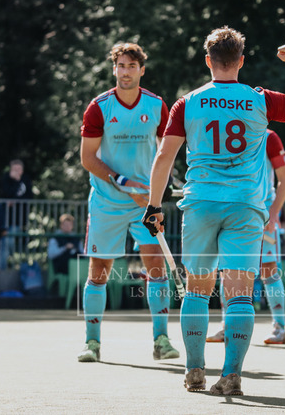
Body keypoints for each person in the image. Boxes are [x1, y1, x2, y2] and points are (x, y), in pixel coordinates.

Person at [142, 26, 285, 395]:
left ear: (208, 61)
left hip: (201, 204)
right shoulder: (259, 100)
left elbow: (164, 156)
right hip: (245, 207)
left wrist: (154, 205)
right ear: (241, 61)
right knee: (239, 294)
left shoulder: (187, 103)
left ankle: (194, 370)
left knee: (196, 291)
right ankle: (232, 375)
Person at [77, 41, 179, 363]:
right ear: (114, 69)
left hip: (145, 203)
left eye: (132, 66)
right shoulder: (99, 107)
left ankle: (161, 340)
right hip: (107, 201)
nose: (125, 72)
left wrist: (161, 187)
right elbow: (87, 158)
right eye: (121, 66)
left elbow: (167, 151)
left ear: (141, 70)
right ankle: (92, 343)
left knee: (156, 266)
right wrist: (124, 183)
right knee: (99, 271)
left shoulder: (157, 105)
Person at [206, 129, 285, 345]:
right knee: (227, 270)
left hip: (262, 213)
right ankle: (226, 326)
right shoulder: (224, 133)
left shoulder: (270, 137)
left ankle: (279, 328)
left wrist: (273, 212)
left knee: (268, 270)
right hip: (232, 213)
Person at [0, 159, 33, 270]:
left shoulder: (26, 180)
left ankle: (7, 266)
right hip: (6, 218)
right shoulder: (5, 179)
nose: (16, 171)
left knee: (11, 244)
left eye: (19, 169)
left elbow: (29, 197)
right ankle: (0, 268)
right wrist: (15, 182)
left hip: (19, 219)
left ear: (22, 170)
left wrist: (15, 200)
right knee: (6, 244)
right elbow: (6, 194)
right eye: (14, 169)